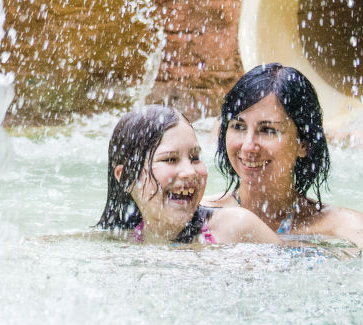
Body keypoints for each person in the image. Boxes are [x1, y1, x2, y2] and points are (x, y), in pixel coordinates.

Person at [206, 63, 363, 243]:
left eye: (268, 130)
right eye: (238, 126)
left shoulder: (339, 225)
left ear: (303, 144)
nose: (248, 146)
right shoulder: (203, 214)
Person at [97, 104, 277, 246]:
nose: (190, 172)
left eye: (195, 157)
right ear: (126, 176)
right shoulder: (121, 242)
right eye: (170, 159)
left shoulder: (236, 227)